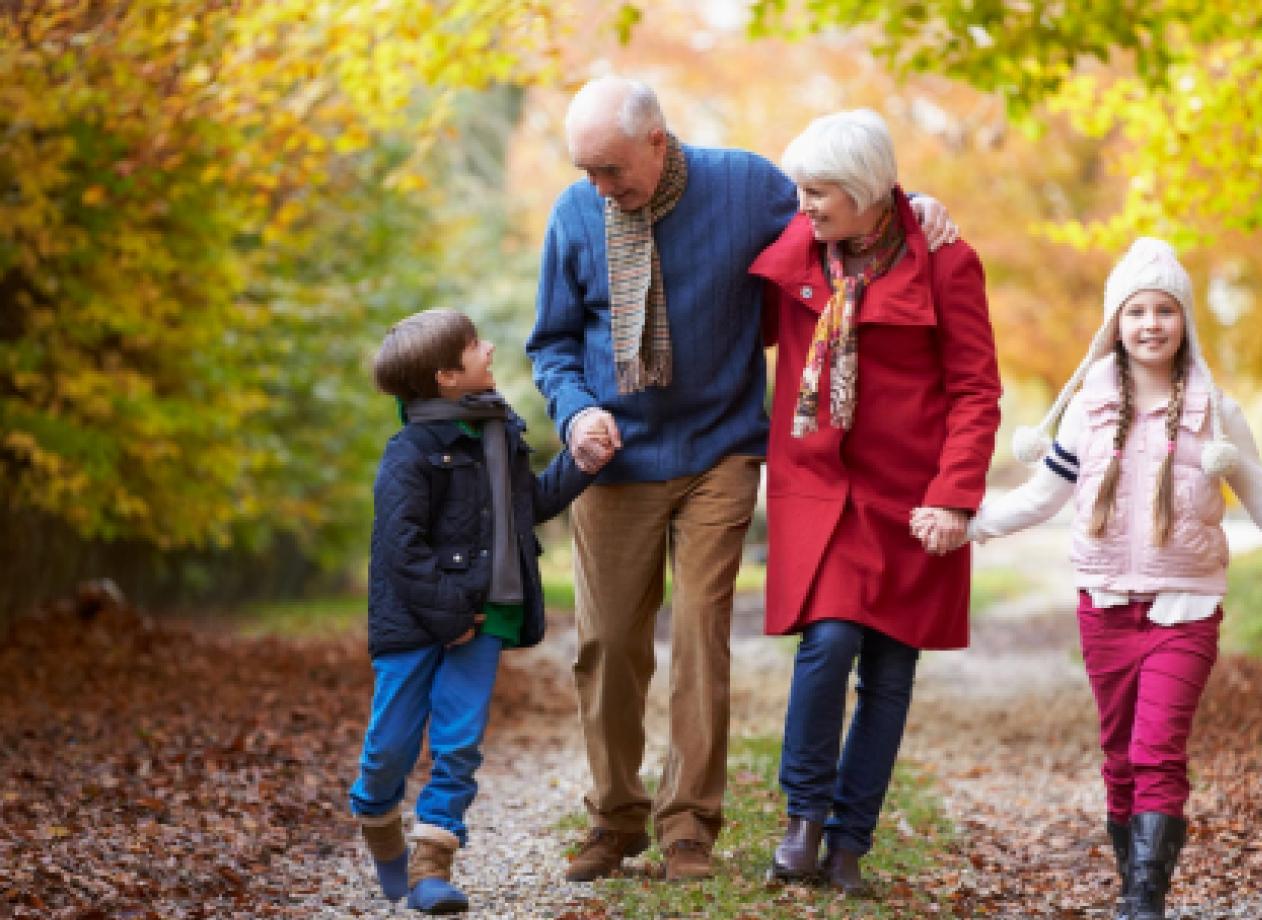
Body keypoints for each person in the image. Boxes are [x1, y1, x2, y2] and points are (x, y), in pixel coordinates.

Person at [527, 76, 956, 883]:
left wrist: (915, 201)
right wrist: (577, 410)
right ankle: (615, 818)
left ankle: (688, 825)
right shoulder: (575, 215)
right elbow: (550, 342)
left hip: (720, 447)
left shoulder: (747, 186)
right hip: (612, 456)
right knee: (608, 644)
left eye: (612, 170)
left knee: (698, 631)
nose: (599, 187)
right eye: (586, 170)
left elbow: (846, 210)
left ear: (657, 143)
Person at [916, 237, 1262, 920]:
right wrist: (968, 523)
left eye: (1165, 310)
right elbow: (1044, 495)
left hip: (1185, 611)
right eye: (1136, 312)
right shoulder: (1088, 406)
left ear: (1185, 321)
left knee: (1157, 751)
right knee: (1119, 756)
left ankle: (1141, 901)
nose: (1150, 324)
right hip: (1104, 607)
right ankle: (1136, 879)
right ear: (1114, 325)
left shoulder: (1216, 413)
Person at [750, 109, 1002, 895]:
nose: (805, 204)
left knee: (891, 670)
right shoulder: (798, 244)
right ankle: (804, 821)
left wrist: (955, 497)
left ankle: (850, 846)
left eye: (822, 192)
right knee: (827, 645)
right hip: (820, 489)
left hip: (912, 496)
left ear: (865, 194)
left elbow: (974, 390)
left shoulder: (947, 262)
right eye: (802, 189)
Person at [349, 308, 604, 914]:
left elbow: (526, 507)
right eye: (472, 346)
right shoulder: (410, 451)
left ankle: (433, 862)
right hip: (416, 622)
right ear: (445, 376)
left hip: (489, 615)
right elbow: (399, 549)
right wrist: (450, 614)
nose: (488, 348)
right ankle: (381, 827)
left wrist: (582, 464)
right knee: (391, 745)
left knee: (459, 742)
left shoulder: (500, 433)